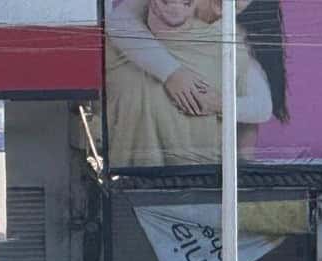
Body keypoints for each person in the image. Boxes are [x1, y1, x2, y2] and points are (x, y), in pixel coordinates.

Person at [104, 0, 283, 166]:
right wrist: (172, 73)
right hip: (132, 171)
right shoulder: (133, 29)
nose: (219, 9)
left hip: (200, 176)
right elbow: (119, 21)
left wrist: (218, 104)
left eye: (234, 8)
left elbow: (262, 107)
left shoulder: (233, 46)